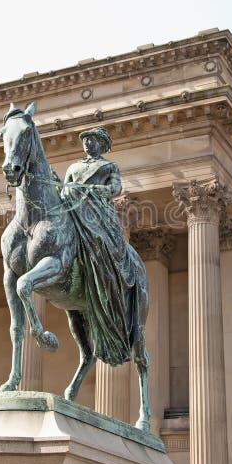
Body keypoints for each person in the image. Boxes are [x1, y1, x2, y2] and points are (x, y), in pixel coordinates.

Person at [61, 127, 143, 365]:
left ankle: (105, 280)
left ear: (102, 144)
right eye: (85, 140)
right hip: (74, 210)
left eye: (93, 140)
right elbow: (65, 189)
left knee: (99, 242)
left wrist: (99, 190)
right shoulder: (73, 167)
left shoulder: (109, 167)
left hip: (97, 214)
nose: (88, 144)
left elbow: (116, 189)